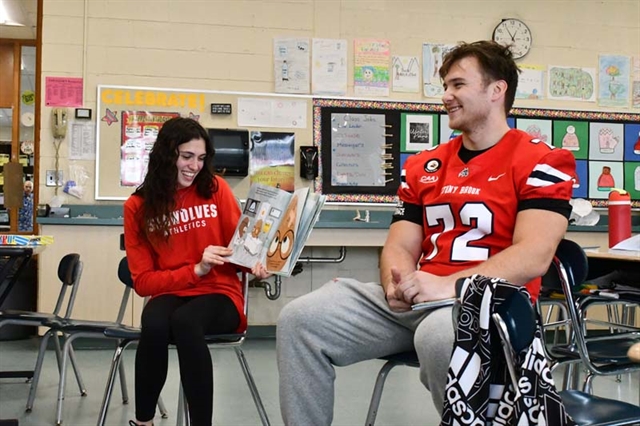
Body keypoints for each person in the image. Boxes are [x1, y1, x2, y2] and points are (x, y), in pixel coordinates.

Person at [276, 40, 576, 424]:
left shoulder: (543, 160)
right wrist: (394, 284)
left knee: (437, 336)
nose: (446, 96)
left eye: (457, 85)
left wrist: (448, 286)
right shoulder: (424, 164)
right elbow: (400, 244)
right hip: (419, 300)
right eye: (445, 87)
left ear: (496, 90)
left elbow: (535, 253)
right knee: (300, 319)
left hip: (489, 307)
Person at [124, 117, 269, 426]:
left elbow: (242, 246)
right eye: (186, 156)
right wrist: (196, 269)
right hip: (173, 291)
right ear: (167, 155)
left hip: (220, 293)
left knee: (186, 321)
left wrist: (257, 263)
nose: (194, 166)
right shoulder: (138, 206)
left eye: (201, 158)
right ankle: (143, 421)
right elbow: (144, 282)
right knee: (153, 320)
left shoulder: (215, 189)